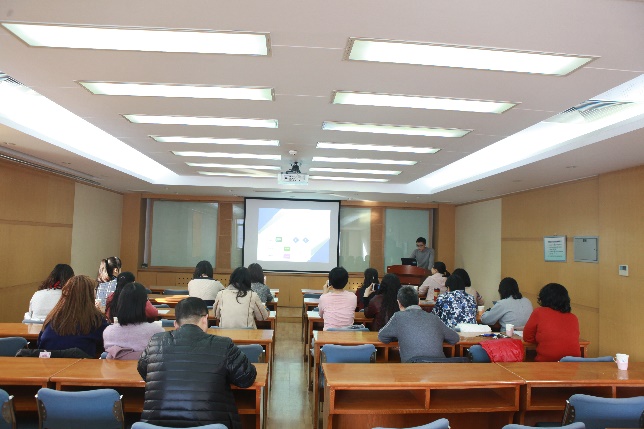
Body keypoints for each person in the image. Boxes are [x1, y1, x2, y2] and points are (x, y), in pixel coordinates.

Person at [137, 297, 256, 428]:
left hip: (156, 424)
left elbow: (144, 370)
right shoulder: (223, 344)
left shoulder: (155, 341)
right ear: (205, 319)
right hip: (211, 423)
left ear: (175, 324)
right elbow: (247, 378)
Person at [379, 286, 459, 362]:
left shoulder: (398, 317)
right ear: (419, 301)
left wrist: (398, 336)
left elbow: (382, 337)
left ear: (399, 303)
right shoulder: (434, 318)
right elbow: (455, 338)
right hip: (439, 366)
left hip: (413, 366)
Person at [38, 275, 109, 357]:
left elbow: (39, 343)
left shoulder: (52, 317)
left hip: (47, 363)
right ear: (89, 295)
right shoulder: (95, 320)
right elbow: (107, 343)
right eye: (94, 290)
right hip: (82, 364)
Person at [103, 282, 164, 360]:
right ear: (145, 304)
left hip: (117, 368)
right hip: (146, 367)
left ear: (120, 303)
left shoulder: (108, 332)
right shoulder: (157, 331)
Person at [523, 283, 580, 362]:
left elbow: (527, 337)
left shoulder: (539, 312)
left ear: (544, 298)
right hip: (573, 364)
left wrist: (543, 339)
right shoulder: (573, 318)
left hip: (546, 362)